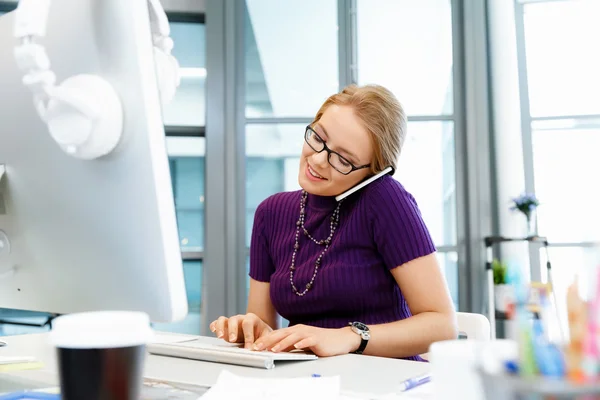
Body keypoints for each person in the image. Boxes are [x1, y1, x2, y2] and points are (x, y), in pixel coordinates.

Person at [210, 84, 457, 361]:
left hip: (383, 379)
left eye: (342, 159)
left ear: (373, 174)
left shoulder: (385, 199)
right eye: (318, 137)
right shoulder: (271, 212)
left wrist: (351, 336)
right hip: (306, 379)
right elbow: (264, 327)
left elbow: (442, 326)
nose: (317, 160)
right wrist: (252, 328)